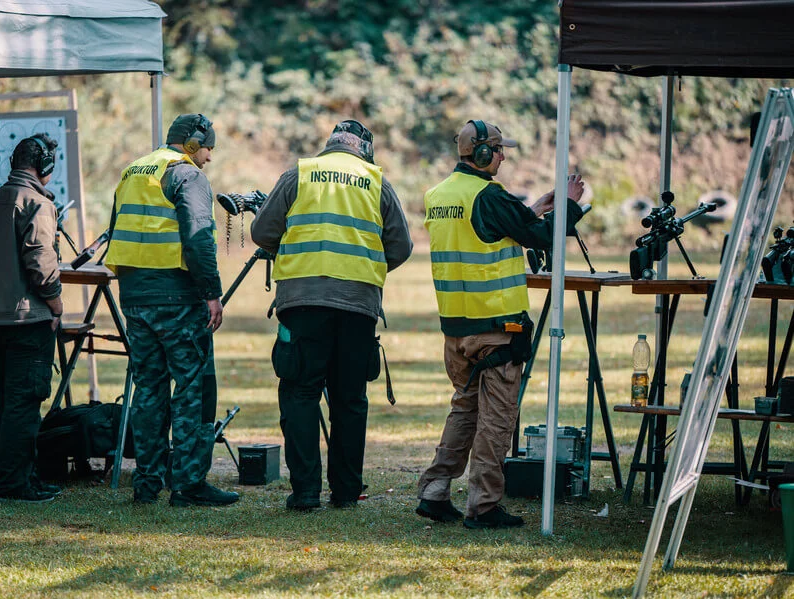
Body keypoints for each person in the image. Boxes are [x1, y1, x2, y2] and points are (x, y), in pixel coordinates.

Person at [416, 120, 587, 529]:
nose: (503, 155)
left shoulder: (439, 195)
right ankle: (485, 505)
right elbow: (542, 239)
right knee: (497, 418)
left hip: (456, 329)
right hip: (495, 328)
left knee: (465, 410)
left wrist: (534, 209)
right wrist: (568, 206)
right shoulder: (488, 194)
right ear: (479, 153)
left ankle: (434, 491)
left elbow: (487, 231)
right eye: (497, 149)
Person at [251, 119, 413, 511]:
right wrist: (364, 269)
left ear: (329, 146)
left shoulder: (298, 175)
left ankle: (305, 492)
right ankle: (345, 493)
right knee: (350, 399)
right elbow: (402, 246)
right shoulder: (377, 181)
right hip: (358, 307)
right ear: (363, 150)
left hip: (302, 305)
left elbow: (260, 233)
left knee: (300, 393)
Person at [103, 113, 238, 508]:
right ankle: (189, 484)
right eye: (208, 148)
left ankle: (147, 483)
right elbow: (198, 238)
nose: (209, 158)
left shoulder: (132, 171)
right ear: (194, 144)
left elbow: (117, 230)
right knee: (192, 389)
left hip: (136, 298)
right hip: (177, 298)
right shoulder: (188, 175)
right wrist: (212, 293)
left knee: (148, 389)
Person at [0, 133, 64, 503]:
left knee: (8, 402)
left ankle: (19, 477)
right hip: (27, 320)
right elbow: (41, 261)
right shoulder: (37, 204)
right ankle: (14, 485)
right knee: (24, 403)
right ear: (45, 168)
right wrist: (56, 303)